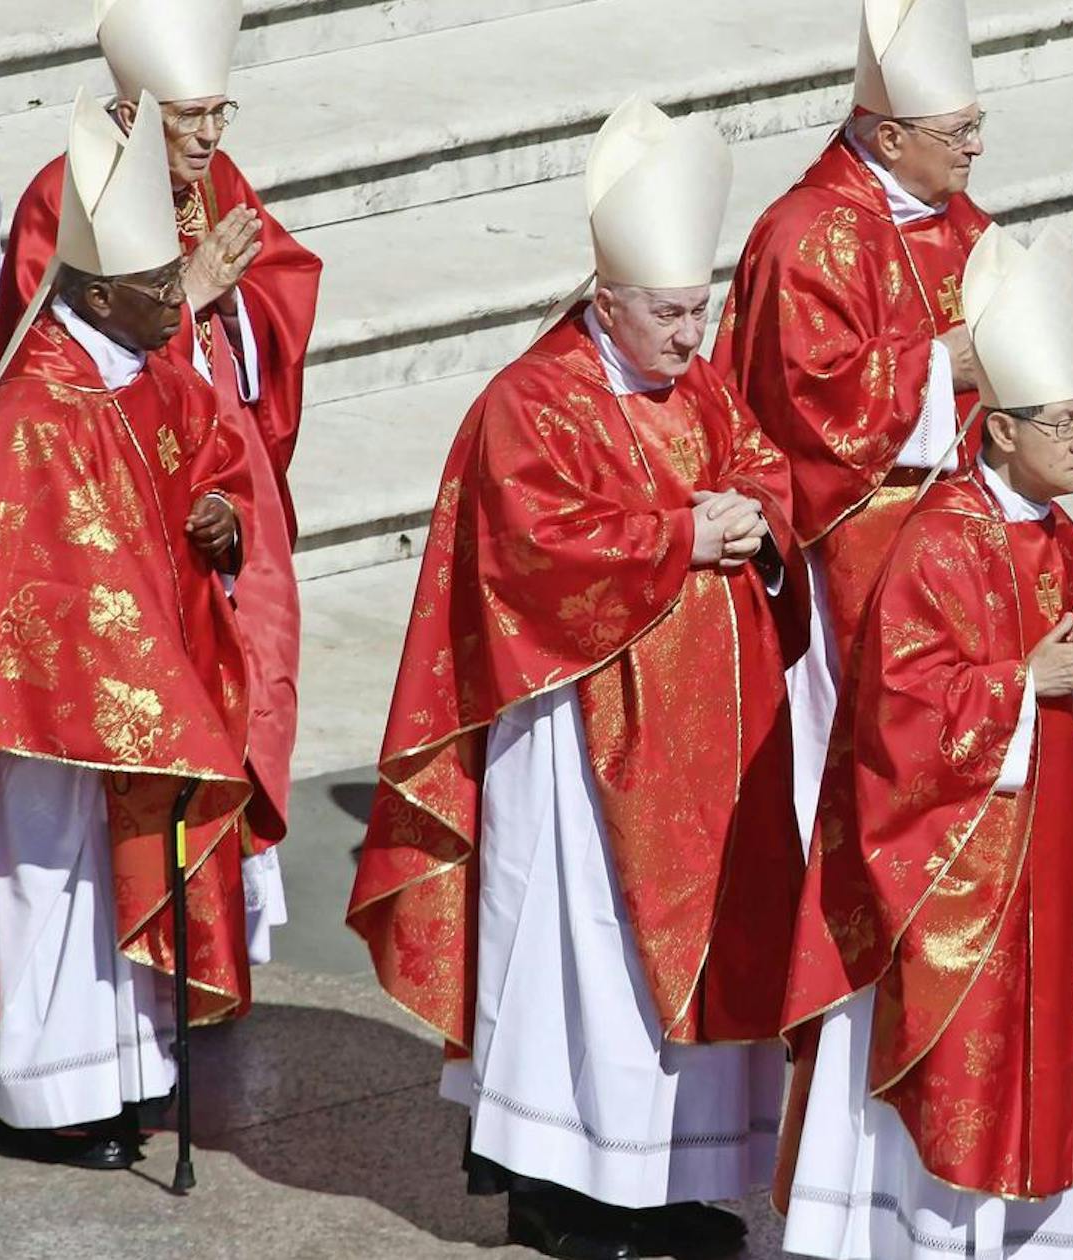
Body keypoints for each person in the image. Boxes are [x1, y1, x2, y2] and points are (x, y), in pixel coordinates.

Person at [347, 95, 801, 1260]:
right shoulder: (528, 402)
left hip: (708, 731)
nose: (691, 338)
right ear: (608, 299)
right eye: (666, 315)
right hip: (576, 743)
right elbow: (527, 551)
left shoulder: (694, 382)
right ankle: (562, 1184)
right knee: (581, 954)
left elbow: (757, 461)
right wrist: (676, 539)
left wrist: (758, 516)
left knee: (689, 974)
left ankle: (668, 1183)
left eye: (700, 312)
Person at [0, 91, 275, 1171]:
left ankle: (123, 1079)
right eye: (155, 290)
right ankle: (40, 1097)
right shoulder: (35, 410)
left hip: (136, 700)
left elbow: (215, 464)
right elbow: (52, 586)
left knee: (119, 883)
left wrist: (221, 519)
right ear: (96, 293)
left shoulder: (147, 375)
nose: (172, 302)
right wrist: (159, 696)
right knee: (50, 884)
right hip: (44, 719)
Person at [780, 224, 1073, 1260]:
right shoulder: (938, 538)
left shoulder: (1054, 534)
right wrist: (1027, 686)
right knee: (964, 1053)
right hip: (958, 872)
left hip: (1048, 859)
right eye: (1066, 424)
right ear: (1005, 429)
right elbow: (899, 713)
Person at [0, 0, 316, 954]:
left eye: (220, 114)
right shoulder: (67, 194)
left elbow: (281, 277)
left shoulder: (219, 179)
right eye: (187, 118)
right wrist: (195, 292)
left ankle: (222, 921)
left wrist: (238, 303)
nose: (209, 138)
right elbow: (60, 358)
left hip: (220, 461)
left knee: (258, 662)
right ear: (132, 115)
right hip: (117, 483)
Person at [713, 0, 991, 843]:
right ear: (888, 137)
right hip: (850, 540)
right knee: (857, 760)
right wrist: (945, 366)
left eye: (978, 126)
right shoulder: (807, 235)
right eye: (958, 133)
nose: (975, 148)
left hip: (955, 528)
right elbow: (805, 404)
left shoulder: (963, 223)